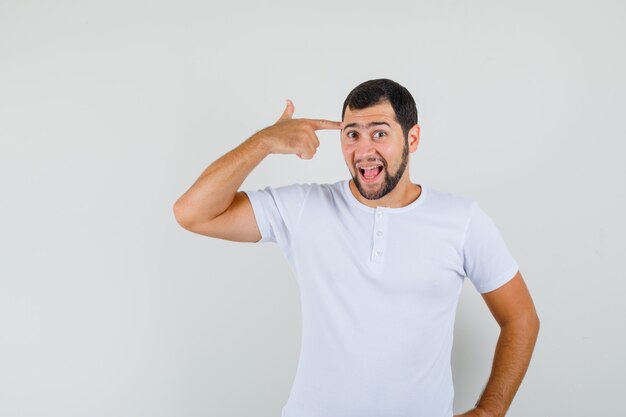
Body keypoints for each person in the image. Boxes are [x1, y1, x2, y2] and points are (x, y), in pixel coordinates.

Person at [173, 78, 540, 417]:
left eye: (379, 133)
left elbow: (521, 318)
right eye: (352, 134)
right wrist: (265, 142)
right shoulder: (305, 208)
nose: (363, 150)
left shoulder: (461, 220)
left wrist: (490, 410)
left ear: (412, 139)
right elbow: (193, 213)